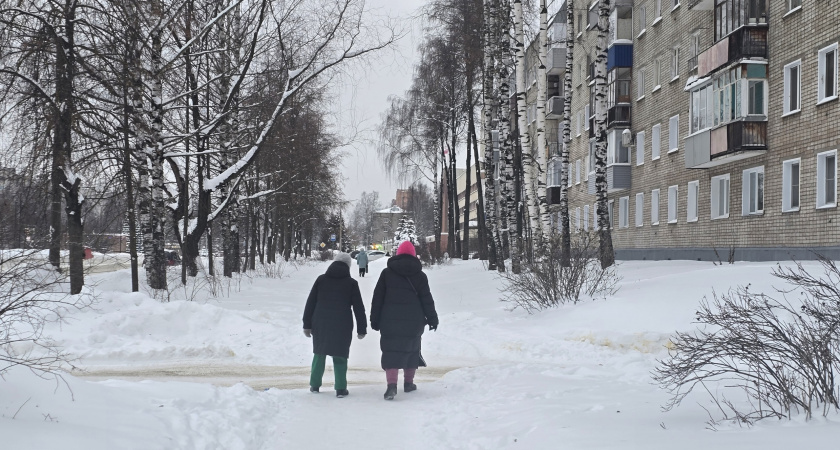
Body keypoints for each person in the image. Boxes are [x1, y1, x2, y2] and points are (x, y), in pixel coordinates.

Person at [370, 240, 439, 400]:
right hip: (413, 322)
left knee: (391, 352)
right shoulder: (420, 276)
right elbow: (426, 299)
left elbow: (377, 298)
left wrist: (375, 319)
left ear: (398, 254)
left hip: (389, 321)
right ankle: (408, 384)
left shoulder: (387, 274)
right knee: (411, 350)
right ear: (414, 255)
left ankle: (391, 386)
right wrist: (433, 318)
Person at [302, 252, 367, 398]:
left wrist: (307, 324)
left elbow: (310, 303)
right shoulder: (351, 283)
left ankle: (314, 385)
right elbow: (358, 308)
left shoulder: (321, 280)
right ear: (348, 266)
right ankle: (340, 389)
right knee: (340, 356)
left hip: (321, 322)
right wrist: (362, 328)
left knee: (319, 354)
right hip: (342, 324)